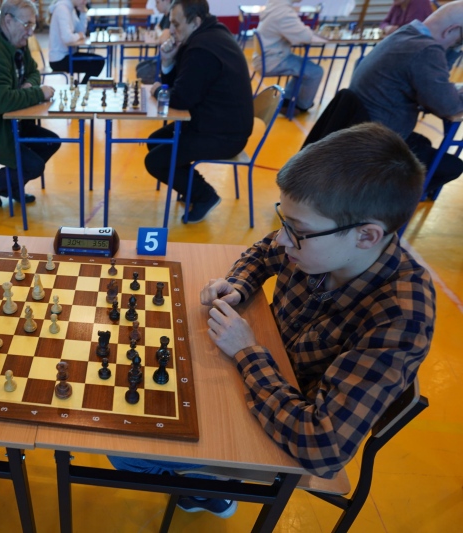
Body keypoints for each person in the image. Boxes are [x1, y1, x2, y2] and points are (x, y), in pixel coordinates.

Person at [111, 122, 435, 517]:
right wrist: (238, 285)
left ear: (366, 236)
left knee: (126, 450)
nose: (282, 240)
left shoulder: (401, 317)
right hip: (259, 374)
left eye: (296, 230)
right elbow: (264, 251)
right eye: (284, 222)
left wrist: (246, 352)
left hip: (284, 427)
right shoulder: (322, 244)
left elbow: (323, 447)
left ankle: (213, 491)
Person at [145, 0, 253, 223]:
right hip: (213, 123)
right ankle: (191, 187)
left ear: (195, 21)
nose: (171, 30)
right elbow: (180, 87)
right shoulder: (208, 34)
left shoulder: (202, 49)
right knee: (155, 142)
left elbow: (180, 98)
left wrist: (157, 90)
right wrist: (168, 62)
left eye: (176, 24)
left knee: (155, 161)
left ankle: (204, 195)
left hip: (224, 135)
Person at [350, 1, 463, 195]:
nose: (454, 47)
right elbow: (450, 108)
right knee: (452, 166)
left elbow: (434, 86)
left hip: (363, 127)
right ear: (450, 30)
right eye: (457, 42)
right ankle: (394, 199)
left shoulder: (406, 33)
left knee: (424, 142)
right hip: (380, 141)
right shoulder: (426, 50)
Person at [0, 0, 61, 207]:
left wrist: (28, 86)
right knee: (34, 166)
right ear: (8, 20)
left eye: (33, 25)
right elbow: (3, 102)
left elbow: (34, 72)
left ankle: (9, 186)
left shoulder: (17, 44)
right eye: (27, 25)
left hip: (10, 123)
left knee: (51, 142)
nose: (31, 32)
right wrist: (37, 92)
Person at [252, 0, 326, 114]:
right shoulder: (283, 11)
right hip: (272, 61)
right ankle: (302, 105)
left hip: (266, 57)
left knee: (304, 65)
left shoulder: (275, 4)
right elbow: (305, 36)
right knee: (315, 71)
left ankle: (286, 100)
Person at [47, 0, 106, 83]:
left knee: (99, 61)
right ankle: (83, 88)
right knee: (97, 64)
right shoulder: (62, 9)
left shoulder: (71, 9)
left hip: (68, 54)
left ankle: (83, 87)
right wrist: (79, 35)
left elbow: (81, 31)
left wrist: (83, 13)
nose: (85, 2)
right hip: (59, 59)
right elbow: (67, 38)